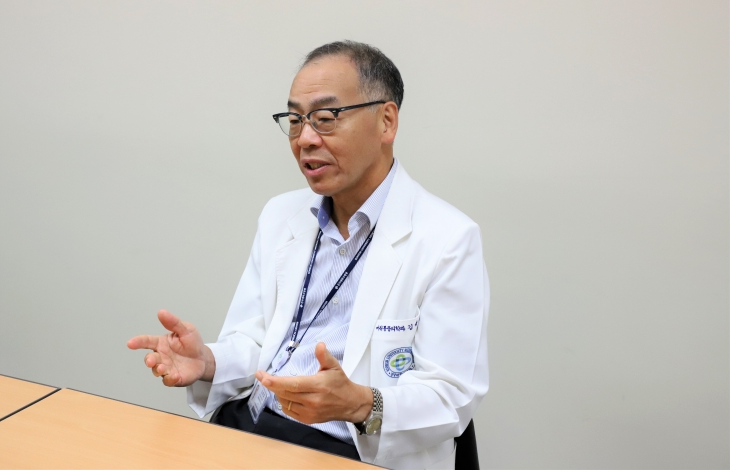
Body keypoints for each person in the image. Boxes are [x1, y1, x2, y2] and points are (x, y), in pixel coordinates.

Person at [127, 41, 489, 469]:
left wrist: (359, 404)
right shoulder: (281, 215)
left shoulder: (448, 238)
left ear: (386, 121)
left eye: (326, 118)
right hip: (249, 428)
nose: (305, 139)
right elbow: (259, 344)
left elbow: (449, 397)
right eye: (296, 120)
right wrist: (208, 361)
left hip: (350, 450)